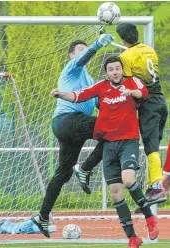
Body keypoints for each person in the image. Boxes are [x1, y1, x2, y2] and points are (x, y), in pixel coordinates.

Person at [51, 56, 158, 248]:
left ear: (121, 70)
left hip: (128, 141)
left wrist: (131, 91)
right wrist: (61, 94)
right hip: (108, 145)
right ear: (106, 72)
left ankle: (150, 219)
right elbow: (79, 95)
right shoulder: (100, 87)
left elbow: (144, 93)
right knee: (116, 194)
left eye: (117, 68)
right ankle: (132, 238)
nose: (115, 72)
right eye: (111, 69)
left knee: (128, 180)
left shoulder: (131, 81)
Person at [31, 33, 113, 237]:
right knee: (113, 131)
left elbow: (100, 104)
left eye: (86, 48)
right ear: (71, 56)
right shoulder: (71, 69)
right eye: (80, 49)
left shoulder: (90, 79)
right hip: (67, 120)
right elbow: (84, 57)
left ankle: (42, 217)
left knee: (64, 173)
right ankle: (85, 169)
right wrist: (96, 44)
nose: (84, 51)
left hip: (73, 127)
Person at [116, 23, 168, 206]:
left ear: (121, 38)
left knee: (151, 147)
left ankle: (156, 187)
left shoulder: (124, 56)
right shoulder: (149, 49)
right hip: (162, 102)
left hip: (149, 105)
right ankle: (153, 186)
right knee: (153, 145)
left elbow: (130, 83)